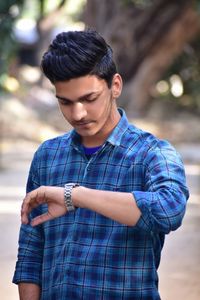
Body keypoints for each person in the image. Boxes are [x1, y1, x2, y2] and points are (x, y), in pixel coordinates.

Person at [13, 29, 189, 300]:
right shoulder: (47, 156)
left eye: (89, 99)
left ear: (115, 85)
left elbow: (169, 211)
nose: (78, 113)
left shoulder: (152, 153)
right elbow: (30, 253)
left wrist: (75, 196)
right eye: (66, 102)